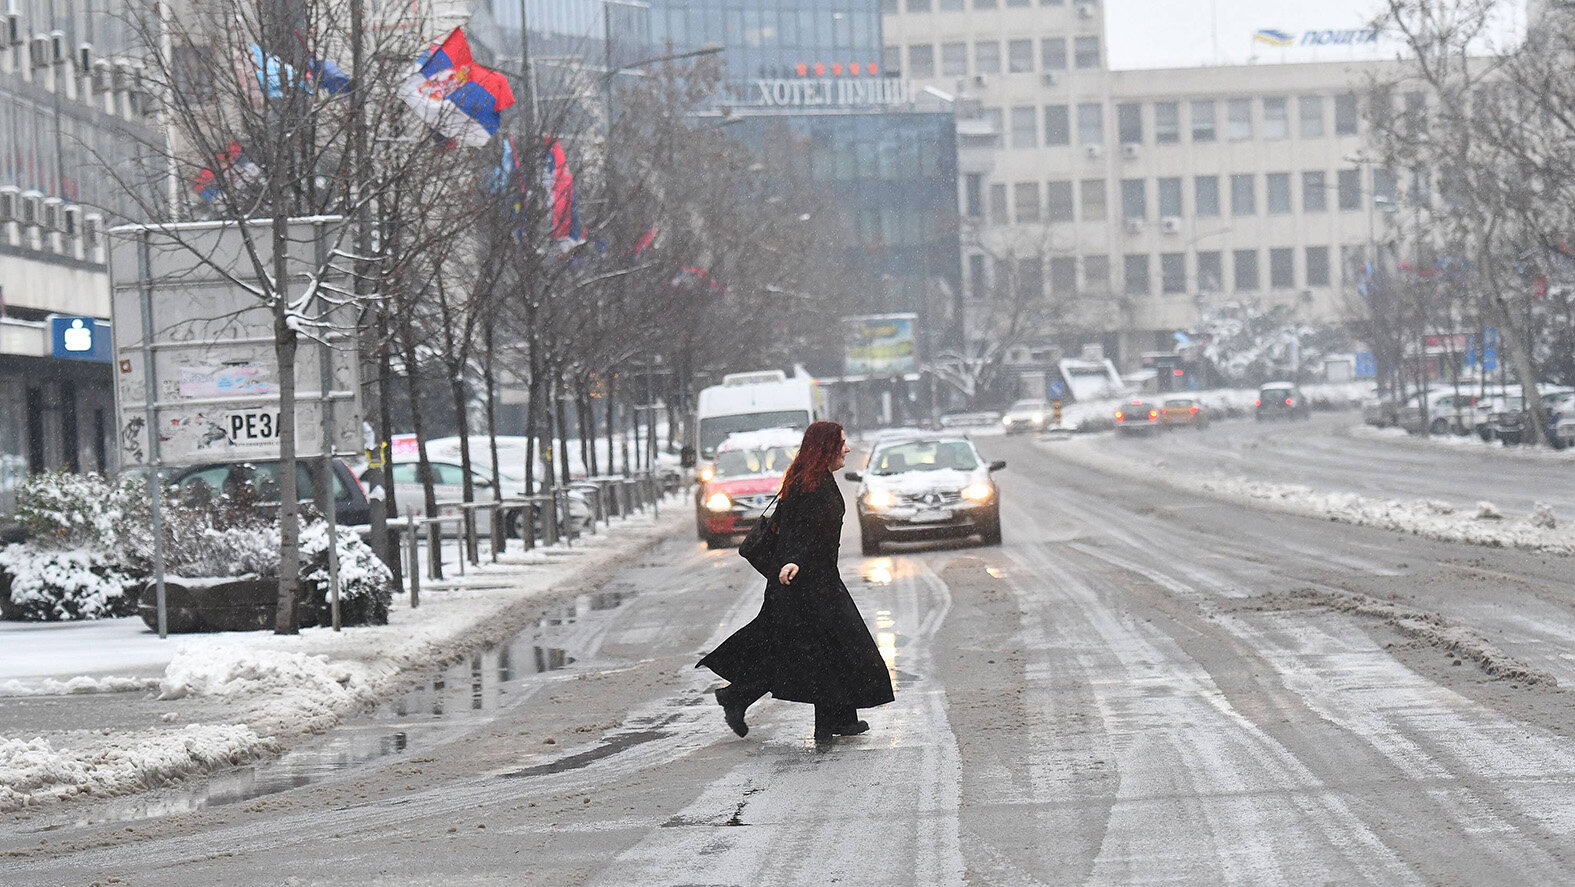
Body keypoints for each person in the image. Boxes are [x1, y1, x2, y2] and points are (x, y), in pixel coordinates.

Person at [697, 421, 895, 740]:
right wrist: (793, 560)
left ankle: (832, 718)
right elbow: (795, 530)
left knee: (824, 649)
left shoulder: (817, 479)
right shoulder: (808, 484)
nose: (847, 449)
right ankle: (742, 697)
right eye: (842, 443)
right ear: (826, 448)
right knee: (812, 649)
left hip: (819, 580)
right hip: (802, 583)